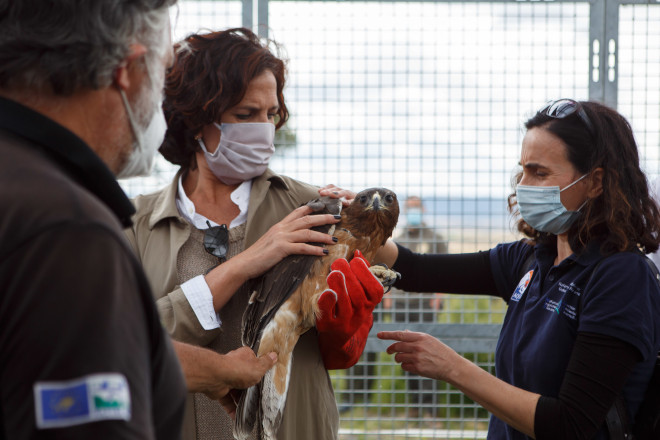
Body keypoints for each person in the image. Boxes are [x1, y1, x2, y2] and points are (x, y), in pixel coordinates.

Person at [0, 2, 279, 438]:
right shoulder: (68, 231)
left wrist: (214, 369)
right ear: (128, 71)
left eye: (270, 114)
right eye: (162, 69)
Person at [125, 28, 384, 440]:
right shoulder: (135, 224)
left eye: (271, 114)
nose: (263, 129)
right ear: (196, 120)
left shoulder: (309, 207)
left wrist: (350, 302)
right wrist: (245, 264)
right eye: (245, 115)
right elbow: (127, 343)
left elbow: (348, 330)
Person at [373, 100, 660, 439]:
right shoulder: (530, 260)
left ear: (595, 182)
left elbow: (570, 424)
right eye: (522, 170)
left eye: (539, 173)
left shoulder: (621, 277)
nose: (522, 185)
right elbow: (415, 268)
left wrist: (453, 368)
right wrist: (357, 224)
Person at [383, 195, 448, 418]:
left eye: (415, 208)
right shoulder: (398, 239)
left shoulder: (435, 238)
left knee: (428, 354)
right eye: (408, 208)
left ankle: (431, 411)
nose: (413, 212)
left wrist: (438, 296)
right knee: (407, 354)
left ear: (423, 210)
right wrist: (388, 298)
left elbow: (444, 269)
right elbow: (388, 270)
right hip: (401, 304)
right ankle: (415, 409)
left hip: (425, 305)